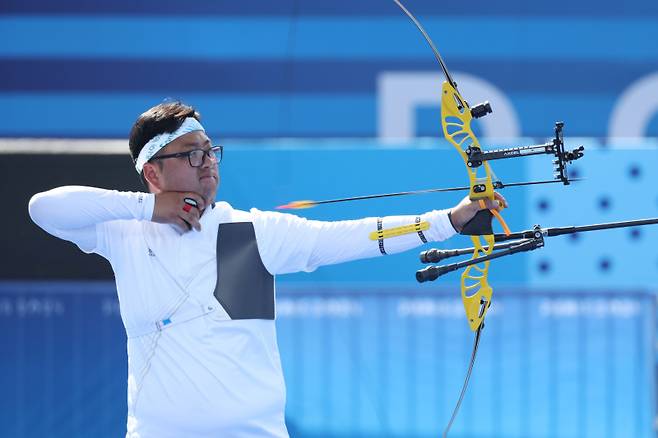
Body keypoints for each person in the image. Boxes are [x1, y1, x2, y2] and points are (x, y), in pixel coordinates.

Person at [28, 101, 507, 438]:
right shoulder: (126, 233)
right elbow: (42, 208)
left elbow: (347, 237)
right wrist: (149, 208)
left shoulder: (249, 231)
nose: (207, 163)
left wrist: (447, 222)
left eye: (210, 151)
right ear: (152, 172)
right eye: (191, 154)